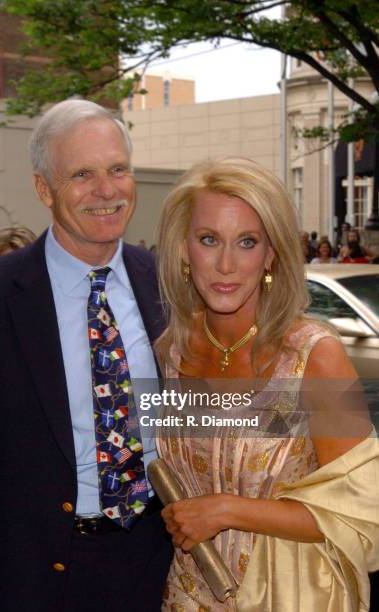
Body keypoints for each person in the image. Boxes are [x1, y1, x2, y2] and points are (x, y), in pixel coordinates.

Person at [0, 99, 172, 611]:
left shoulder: (166, 284)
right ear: (44, 188)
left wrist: (315, 407)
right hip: (36, 581)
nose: (106, 190)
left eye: (118, 170)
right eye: (82, 173)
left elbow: (204, 413)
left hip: (160, 566)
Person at [154, 157, 378, 611]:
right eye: (208, 239)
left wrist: (225, 510)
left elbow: (363, 512)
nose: (225, 264)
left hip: (288, 595)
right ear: (183, 247)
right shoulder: (170, 352)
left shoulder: (314, 357)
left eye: (247, 242)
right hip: (187, 594)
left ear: (271, 253)